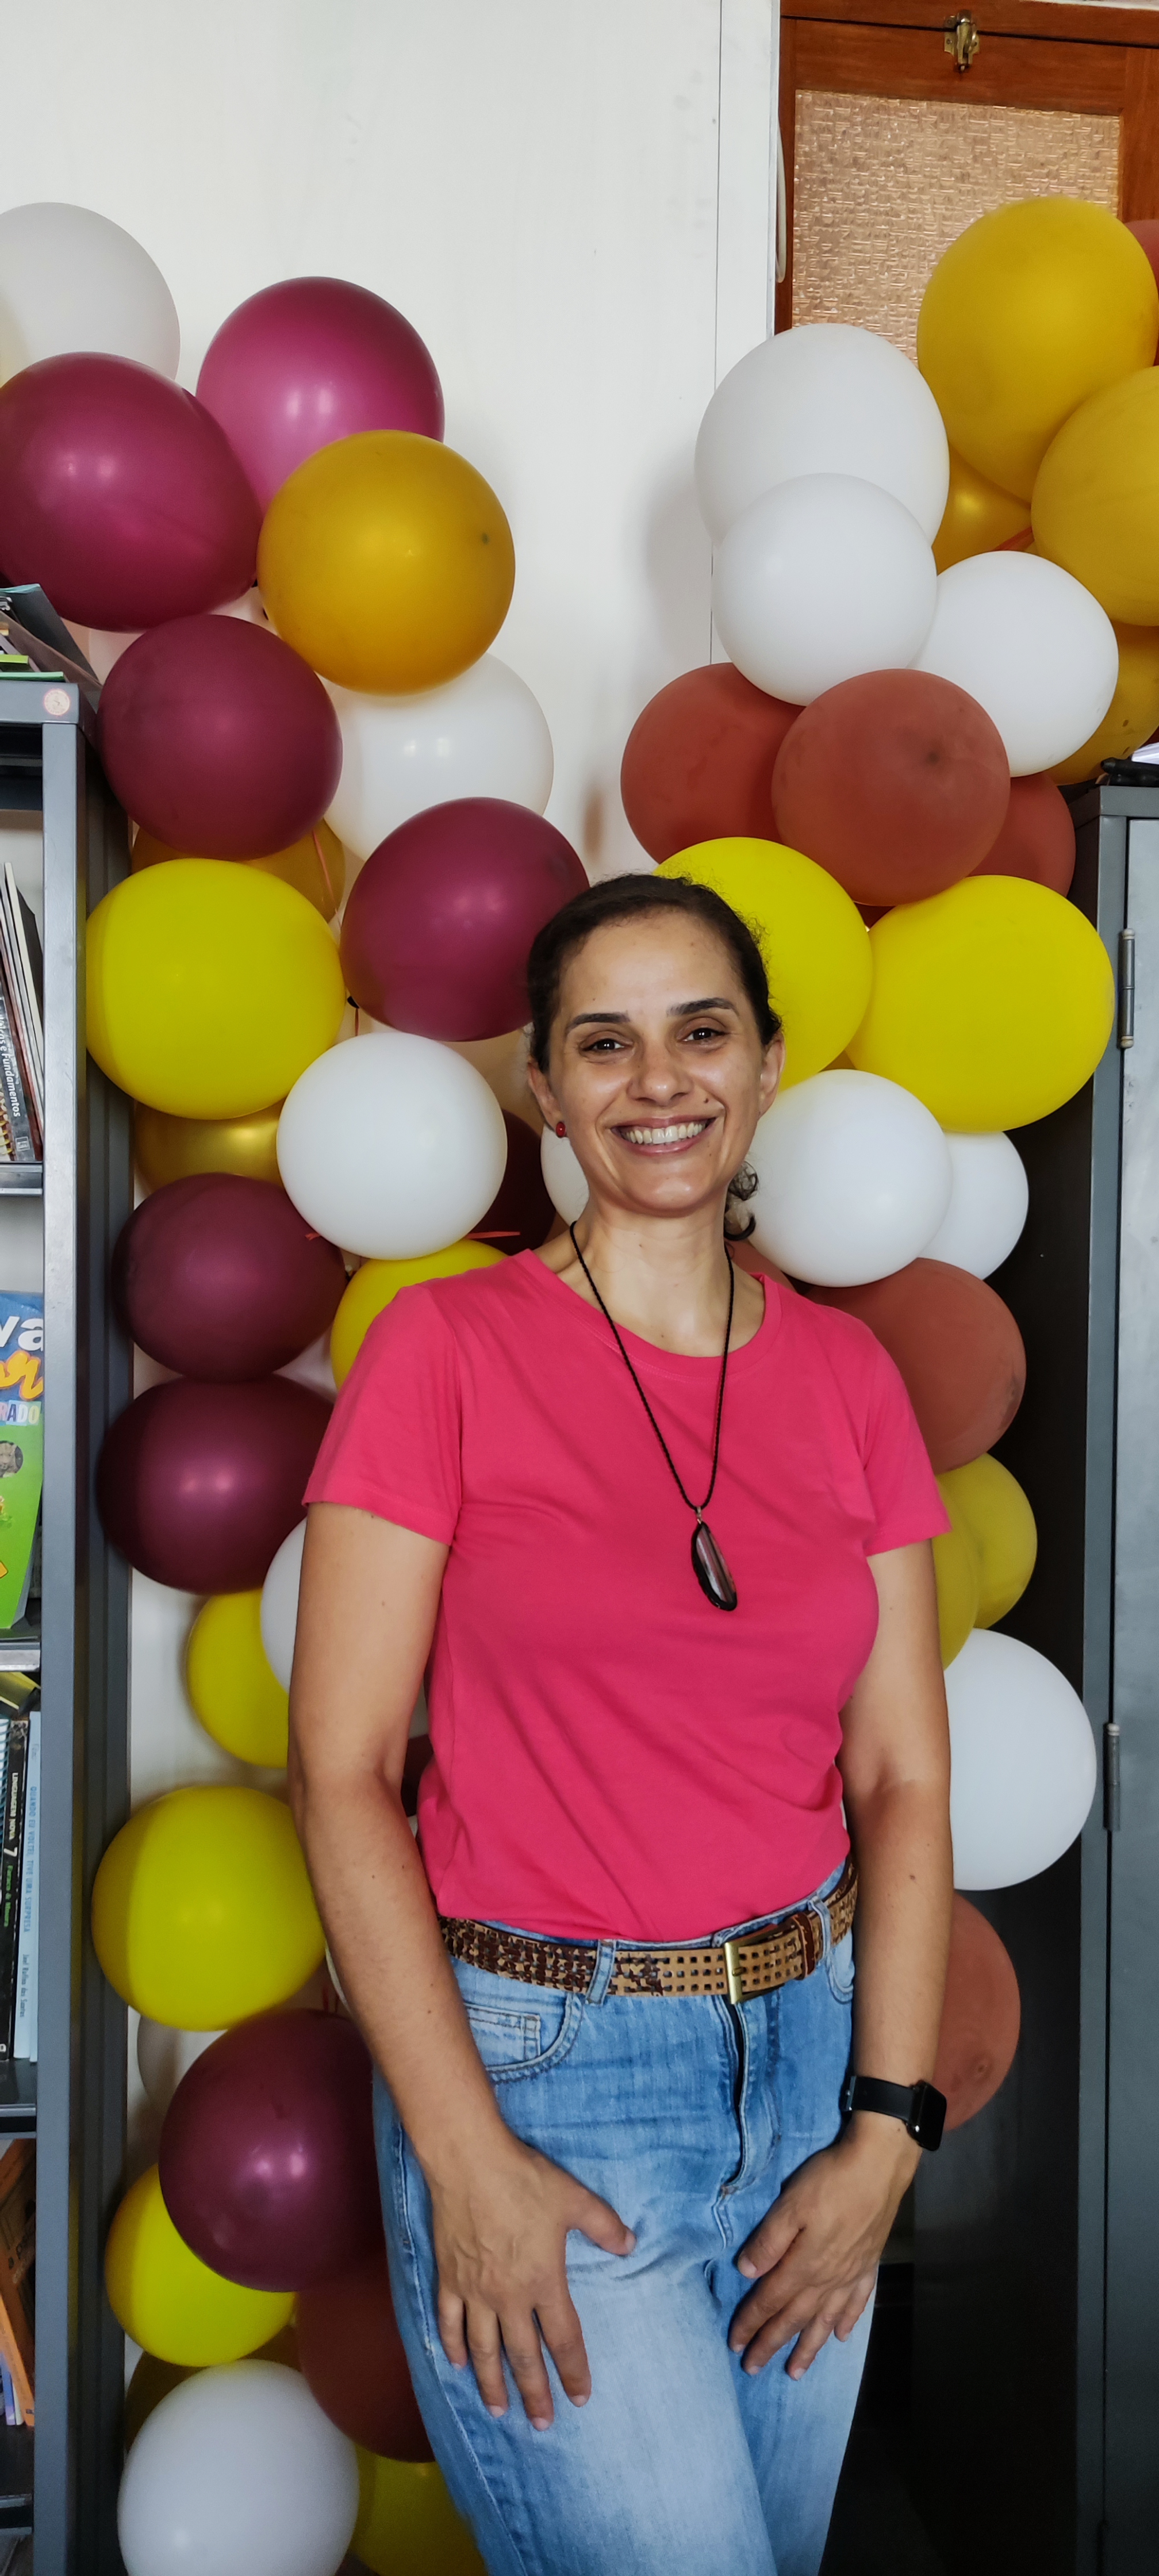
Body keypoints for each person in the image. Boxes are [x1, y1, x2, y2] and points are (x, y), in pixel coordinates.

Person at [290, 873, 954, 2576]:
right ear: (545, 1088)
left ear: (768, 1063)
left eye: (700, 1031)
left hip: (809, 2075)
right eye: (605, 1043)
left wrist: (889, 2130)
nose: (659, 1081)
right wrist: (465, 2166)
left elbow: (900, 1774)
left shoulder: (851, 1380)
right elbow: (341, 1773)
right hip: (544, 2089)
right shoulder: (443, 1350)